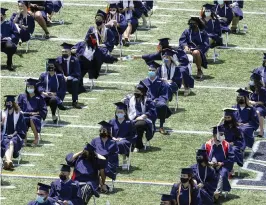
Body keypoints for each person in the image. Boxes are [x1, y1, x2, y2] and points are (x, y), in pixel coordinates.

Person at [202, 125, 235, 201]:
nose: (222, 136)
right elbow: (201, 156)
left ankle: (217, 194)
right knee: (207, 173)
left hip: (223, 166)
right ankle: (207, 192)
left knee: (222, 174)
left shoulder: (226, 145)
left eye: (223, 134)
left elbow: (231, 158)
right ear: (214, 135)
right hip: (209, 166)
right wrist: (208, 163)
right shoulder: (206, 145)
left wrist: (222, 163)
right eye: (220, 134)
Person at [123, 83, 157, 152]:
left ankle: (138, 145)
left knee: (139, 125)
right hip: (132, 118)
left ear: (142, 93)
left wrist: (143, 116)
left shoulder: (148, 100)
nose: (136, 93)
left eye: (138, 92)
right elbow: (125, 105)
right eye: (135, 91)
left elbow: (152, 111)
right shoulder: (130, 99)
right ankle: (128, 143)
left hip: (144, 120)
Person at [141, 65, 172, 135]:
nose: (151, 72)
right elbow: (139, 93)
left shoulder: (162, 82)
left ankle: (161, 126)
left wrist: (156, 100)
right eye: (150, 70)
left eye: (153, 70)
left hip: (157, 102)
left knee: (162, 105)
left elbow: (164, 95)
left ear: (156, 71)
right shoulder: (143, 82)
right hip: (146, 102)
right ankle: (152, 125)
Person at [17, 78, 47, 146]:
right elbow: (18, 106)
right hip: (24, 115)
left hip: (35, 116)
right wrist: (19, 110)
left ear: (34, 88)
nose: (29, 88)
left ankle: (36, 138)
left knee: (32, 119)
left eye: (31, 87)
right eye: (28, 87)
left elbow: (43, 110)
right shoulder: (22, 96)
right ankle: (24, 138)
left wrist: (35, 113)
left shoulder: (39, 98)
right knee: (22, 119)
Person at [91, 121, 119, 193]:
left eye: (105, 130)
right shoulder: (95, 140)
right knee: (99, 167)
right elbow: (91, 151)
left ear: (108, 132)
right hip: (96, 162)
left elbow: (115, 155)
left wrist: (105, 158)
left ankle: (101, 185)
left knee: (102, 168)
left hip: (109, 163)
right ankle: (103, 185)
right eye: (102, 130)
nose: (103, 132)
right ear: (100, 131)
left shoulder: (113, 143)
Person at [1, 95, 27, 170]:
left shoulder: (19, 114)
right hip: (4, 135)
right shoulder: (2, 113)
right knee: (5, 141)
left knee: (12, 142)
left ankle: (7, 160)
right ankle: (9, 161)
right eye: (7, 102)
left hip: (16, 135)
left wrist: (13, 134)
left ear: (13, 103)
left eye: (9, 102)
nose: (8, 104)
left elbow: (21, 128)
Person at [109, 102, 137, 168]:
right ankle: (112, 162)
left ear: (125, 113)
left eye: (121, 112)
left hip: (126, 140)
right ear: (116, 113)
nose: (119, 113)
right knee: (111, 144)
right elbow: (107, 132)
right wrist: (112, 137)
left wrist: (122, 139)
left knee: (121, 143)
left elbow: (133, 135)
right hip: (114, 140)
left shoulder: (129, 123)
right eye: (118, 112)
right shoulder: (112, 121)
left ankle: (124, 160)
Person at [39, 58, 66, 123]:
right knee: (39, 99)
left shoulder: (60, 76)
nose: (51, 70)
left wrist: (55, 93)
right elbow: (39, 85)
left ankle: (53, 114)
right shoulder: (43, 75)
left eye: (52, 68)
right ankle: (41, 115)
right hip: (44, 96)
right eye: (49, 68)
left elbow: (63, 88)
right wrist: (43, 92)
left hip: (55, 96)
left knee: (53, 100)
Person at [56, 42, 82, 109]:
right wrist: (62, 77)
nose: (64, 53)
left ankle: (74, 101)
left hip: (71, 78)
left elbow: (77, 72)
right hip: (61, 78)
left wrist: (68, 78)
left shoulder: (75, 60)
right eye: (63, 51)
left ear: (70, 52)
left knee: (75, 81)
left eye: (66, 51)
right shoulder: (58, 60)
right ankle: (59, 101)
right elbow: (56, 71)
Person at [249, 70, 266, 138]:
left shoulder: (262, 90)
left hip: (261, 106)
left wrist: (255, 103)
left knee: (258, 112)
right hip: (251, 105)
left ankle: (261, 130)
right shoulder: (250, 88)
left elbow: (263, 102)